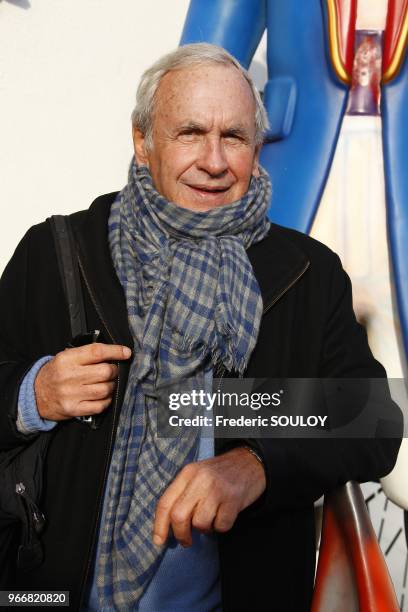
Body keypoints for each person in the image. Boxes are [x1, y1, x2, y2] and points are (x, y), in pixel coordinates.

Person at [0, 43, 401, 611]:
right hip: (48, 594)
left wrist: (258, 460)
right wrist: (33, 392)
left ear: (256, 149)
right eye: (190, 132)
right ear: (143, 142)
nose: (214, 162)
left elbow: (373, 416)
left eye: (233, 137)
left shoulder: (307, 273)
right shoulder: (58, 251)